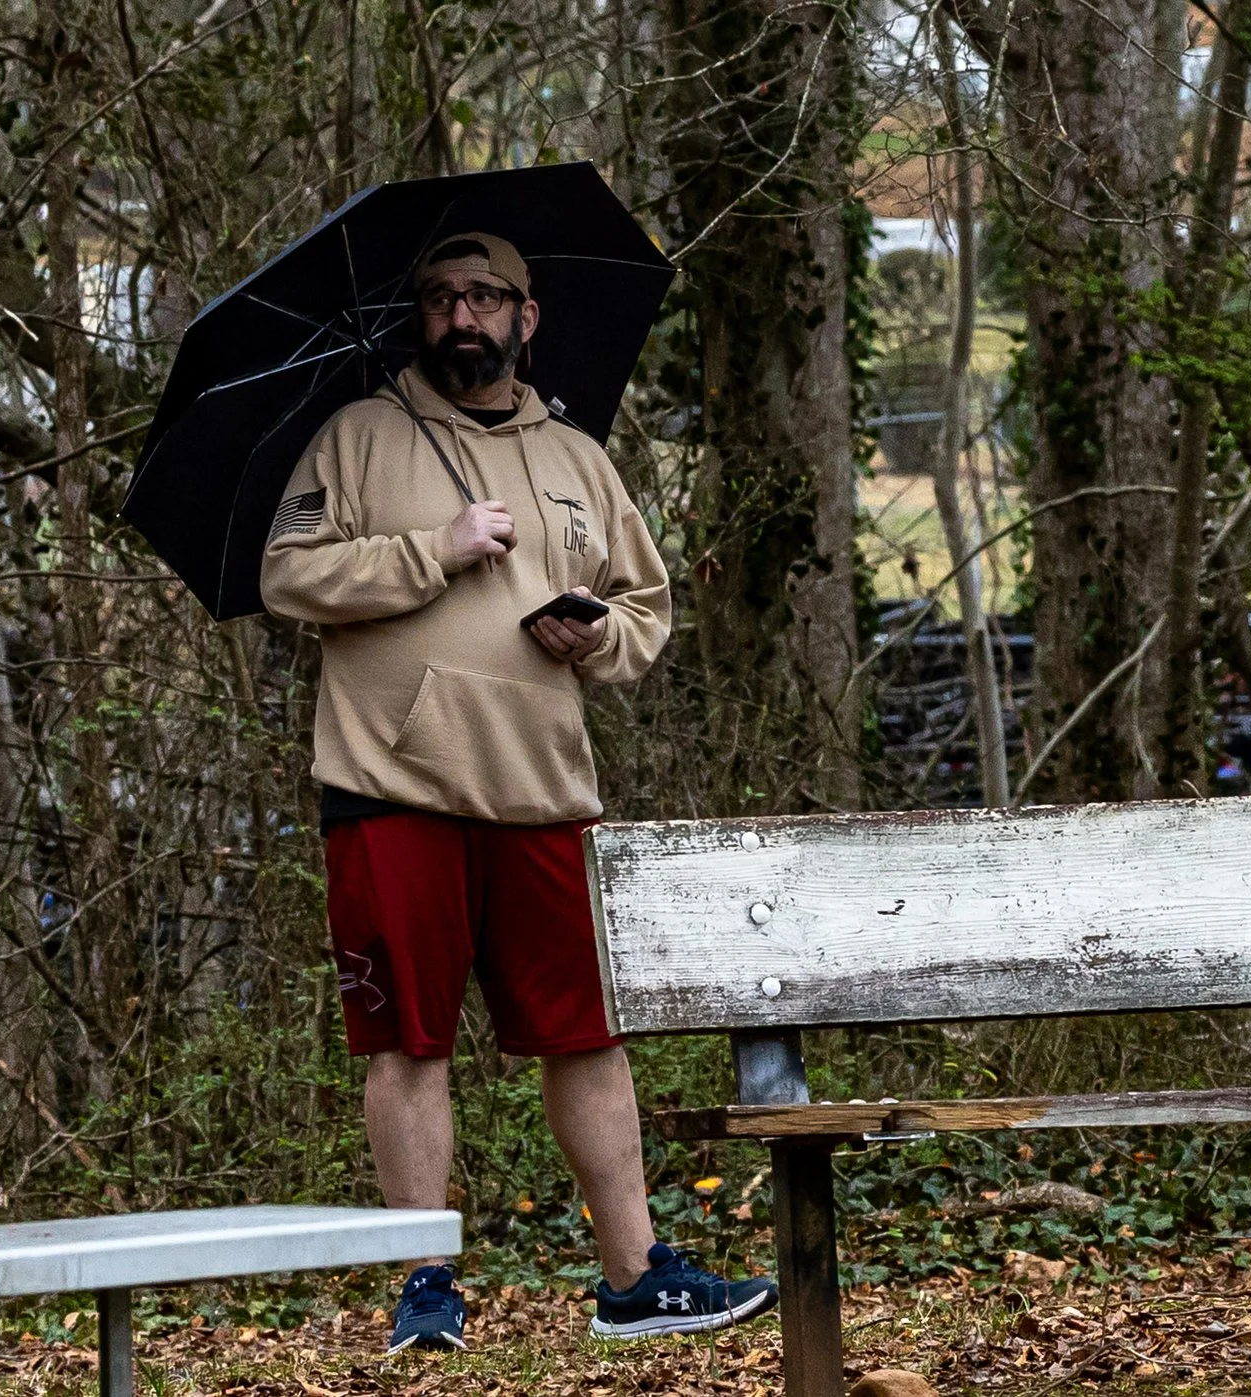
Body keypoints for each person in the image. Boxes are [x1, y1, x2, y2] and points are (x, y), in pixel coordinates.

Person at [260, 233, 777, 1352]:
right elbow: (286, 574)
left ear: (525, 317)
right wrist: (428, 548)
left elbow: (646, 606)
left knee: (583, 1036)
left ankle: (634, 1276)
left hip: (542, 789)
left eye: (484, 296)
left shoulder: (579, 457)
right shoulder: (356, 435)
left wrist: (594, 636)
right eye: (440, 295)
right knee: (410, 1042)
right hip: (391, 783)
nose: (461, 315)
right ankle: (423, 1282)